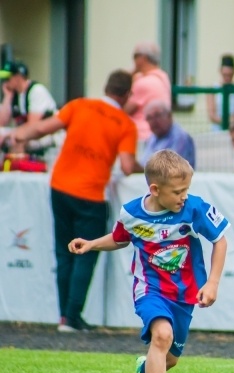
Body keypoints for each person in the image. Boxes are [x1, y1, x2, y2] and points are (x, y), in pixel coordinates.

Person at [66, 150, 229, 373]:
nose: (183, 196)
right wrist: (92, 243)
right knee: (161, 336)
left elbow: (220, 240)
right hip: (149, 290)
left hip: (184, 294)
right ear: (155, 189)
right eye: (177, 191)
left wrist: (212, 283)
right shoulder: (131, 213)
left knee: (171, 358)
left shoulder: (194, 208)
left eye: (186, 189)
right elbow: (120, 238)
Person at [13, 70, 142, 332]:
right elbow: (128, 166)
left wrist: (18, 136)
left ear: (106, 87)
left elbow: (40, 128)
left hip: (60, 186)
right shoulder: (125, 124)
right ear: (127, 94)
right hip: (91, 195)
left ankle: (64, 316)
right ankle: (72, 317)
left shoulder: (79, 105)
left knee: (64, 251)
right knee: (86, 252)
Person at [0, 60, 61, 155]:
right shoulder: (14, 94)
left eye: (8, 78)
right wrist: (7, 97)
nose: (5, 82)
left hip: (47, 135)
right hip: (26, 132)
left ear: (18, 77)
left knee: (18, 139)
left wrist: (11, 135)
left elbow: (33, 126)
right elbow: (2, 122)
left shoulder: (36, 91)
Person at [125, 42, 172, 141]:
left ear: (143, 58)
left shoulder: (143, 83)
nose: (133, 60)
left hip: (141, 135)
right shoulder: (163, 77)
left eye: (135, 56)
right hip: (158, 134)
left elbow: (125, 110)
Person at [140, 100, 196, 168]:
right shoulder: (152, 137)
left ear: (169, 116)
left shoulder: (180, 137)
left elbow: (168, 169)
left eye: (157, 115)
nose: (153, 121)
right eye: (149, 118)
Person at [206, 54, 234, 130]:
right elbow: (212, 116)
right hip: (218, 132)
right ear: (220, 71)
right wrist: (230, 120)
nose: (227, 78)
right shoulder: (213, 89)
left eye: (230, 75)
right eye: (225, 75)